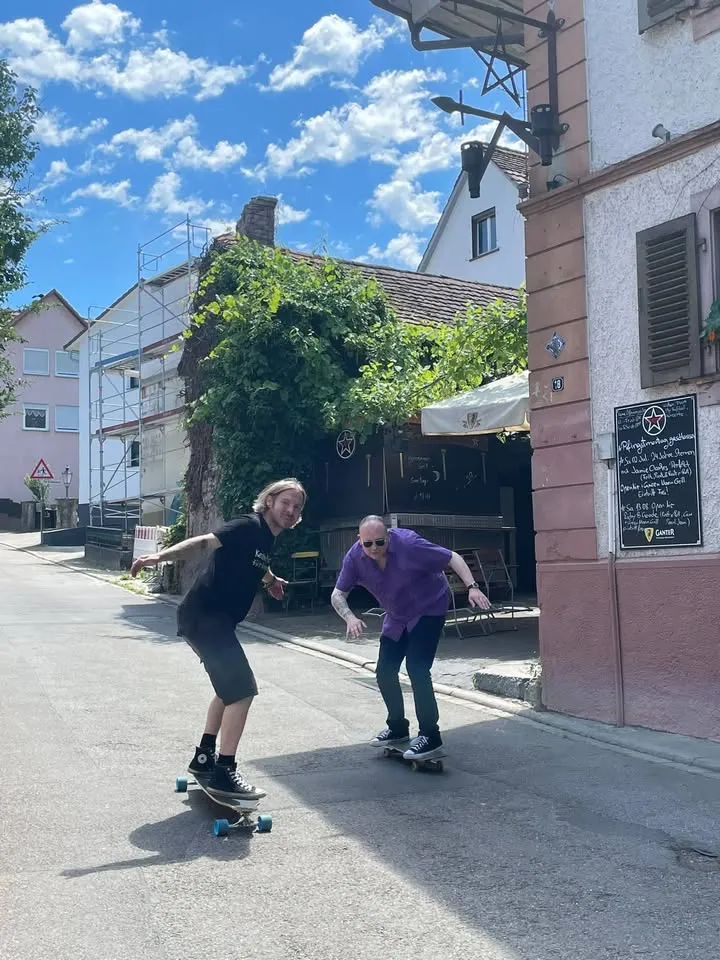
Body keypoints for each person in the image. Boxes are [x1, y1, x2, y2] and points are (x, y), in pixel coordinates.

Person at [131, 478, 307, 800]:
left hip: (211, 621)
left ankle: (204, 756)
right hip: (205, 618)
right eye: (286, 503)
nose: (291, 510)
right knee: (243, 690)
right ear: (269, 501)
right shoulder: (247, 526)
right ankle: (225, 772)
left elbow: (256, 563)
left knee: (228, 691)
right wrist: (158, 558)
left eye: (297, 507)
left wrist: (270, 580)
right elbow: (203, 543)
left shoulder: (266, 537)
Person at [331, 516, 491, 761]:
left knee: (417, 668)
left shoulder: (409, 543)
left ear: (389, 536)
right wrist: (350, 618)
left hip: (429, 608)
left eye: (380, 542)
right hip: (396, 615)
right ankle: (397, 727)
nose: (374, 548)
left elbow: (453, 557)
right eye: (367, 544)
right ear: (359, 540)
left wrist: (472, 587)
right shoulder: (354, 557)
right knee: (384, 671)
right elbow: (337, 594)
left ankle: (430, 735)